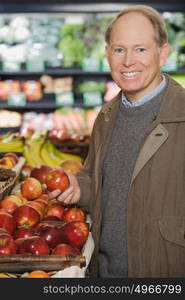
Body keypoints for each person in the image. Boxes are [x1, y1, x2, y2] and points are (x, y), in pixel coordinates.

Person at [49, 5, 185, 278]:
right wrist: (79, 189)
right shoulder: (107, 116)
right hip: (105, 274)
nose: (128, 62)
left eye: (141, 49)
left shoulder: (181, 115)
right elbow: (100, 182)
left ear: (164, 54)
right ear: (107, 55)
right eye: (119, 49)